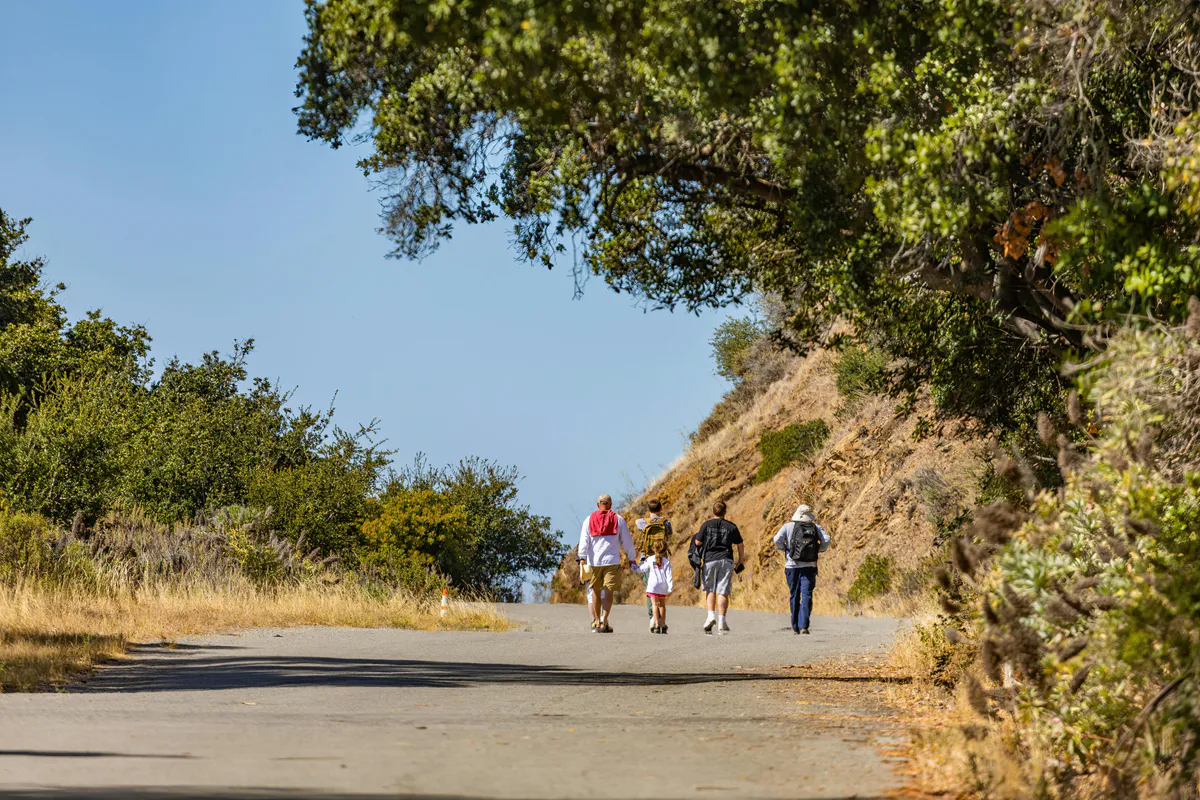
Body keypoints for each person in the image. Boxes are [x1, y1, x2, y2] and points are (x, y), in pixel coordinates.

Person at [577, 493, 638, 633]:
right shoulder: (618, 520)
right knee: (608, 591)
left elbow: (584, 540)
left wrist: (582, 557)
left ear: (598, 505)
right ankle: (605, 620)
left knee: (596, 591)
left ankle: (597, 621)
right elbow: (627, 541)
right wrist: (631, 557)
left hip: (594, 562)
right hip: (612, 561)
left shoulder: (589, 520)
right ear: (610, 505)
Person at [772, 504, 831, 635]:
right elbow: (826, 540)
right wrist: (818, 550)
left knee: (794, 594)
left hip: (792, 566)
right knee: (807, 595)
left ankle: (795, 626)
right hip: (809, 566)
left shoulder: (788, 527)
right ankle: (804, 625)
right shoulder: (815, 527)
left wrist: (784, 549)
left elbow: (777, 539)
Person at [693, 500, 744, 634]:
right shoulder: (731, 526)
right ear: (725, 512)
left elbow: (698, 542)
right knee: (723, 590)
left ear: (713, 511)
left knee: (710, 589)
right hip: (726, 559)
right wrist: (740, 560)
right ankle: (722, 620)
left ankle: (710, 616)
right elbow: (740, 544)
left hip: (710, 559)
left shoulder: (706, 525)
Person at [634, 499, 673, 629]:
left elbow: (636, 522)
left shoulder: (643, 522)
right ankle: (662, 621)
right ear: (660, 509)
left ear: (649, 510)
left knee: (650, 591)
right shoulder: (666, 523)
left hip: (647, 558)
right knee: (661, 597)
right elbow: (670, 534)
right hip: (662, 557)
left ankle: (652, 618)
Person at [631, 550, 674, 633]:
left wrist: (634, 566)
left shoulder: (650, 559)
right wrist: (670, 588)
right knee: (662, 605)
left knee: (654, 604)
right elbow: (669, 575)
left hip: (653, 586)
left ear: (655, 549)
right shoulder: (666, 561)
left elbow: (642, 568)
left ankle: (656, 625)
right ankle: (663, 625)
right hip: (662, 585)